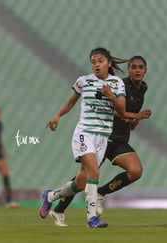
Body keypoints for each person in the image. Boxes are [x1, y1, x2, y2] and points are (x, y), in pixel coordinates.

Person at [49, 56, 152, 227]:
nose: (137, 70)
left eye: (141, 67)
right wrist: (135, 116)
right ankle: (59, 208)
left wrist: (135, 121)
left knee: (135, 171)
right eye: (133, 67)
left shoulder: (143, 88)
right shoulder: (119, 84)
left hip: (119, 140)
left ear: (145, 70)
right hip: (105, 136)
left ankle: (100, 193)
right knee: (82, 180)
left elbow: (129, 110)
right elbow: (113, 111)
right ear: (128, 70)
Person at [40, 47, 126, 228]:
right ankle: (91, 219)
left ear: (109, 63)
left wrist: (110, 95)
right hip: (84, 133)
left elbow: (122, 111)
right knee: (94, 172)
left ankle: (50, 196)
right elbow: (71, 101)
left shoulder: (117, 83)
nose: (96, 65)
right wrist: (57, 115)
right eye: (93, 62)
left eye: (100, 61)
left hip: (102, 137)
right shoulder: (83, 81)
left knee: (80, 182)